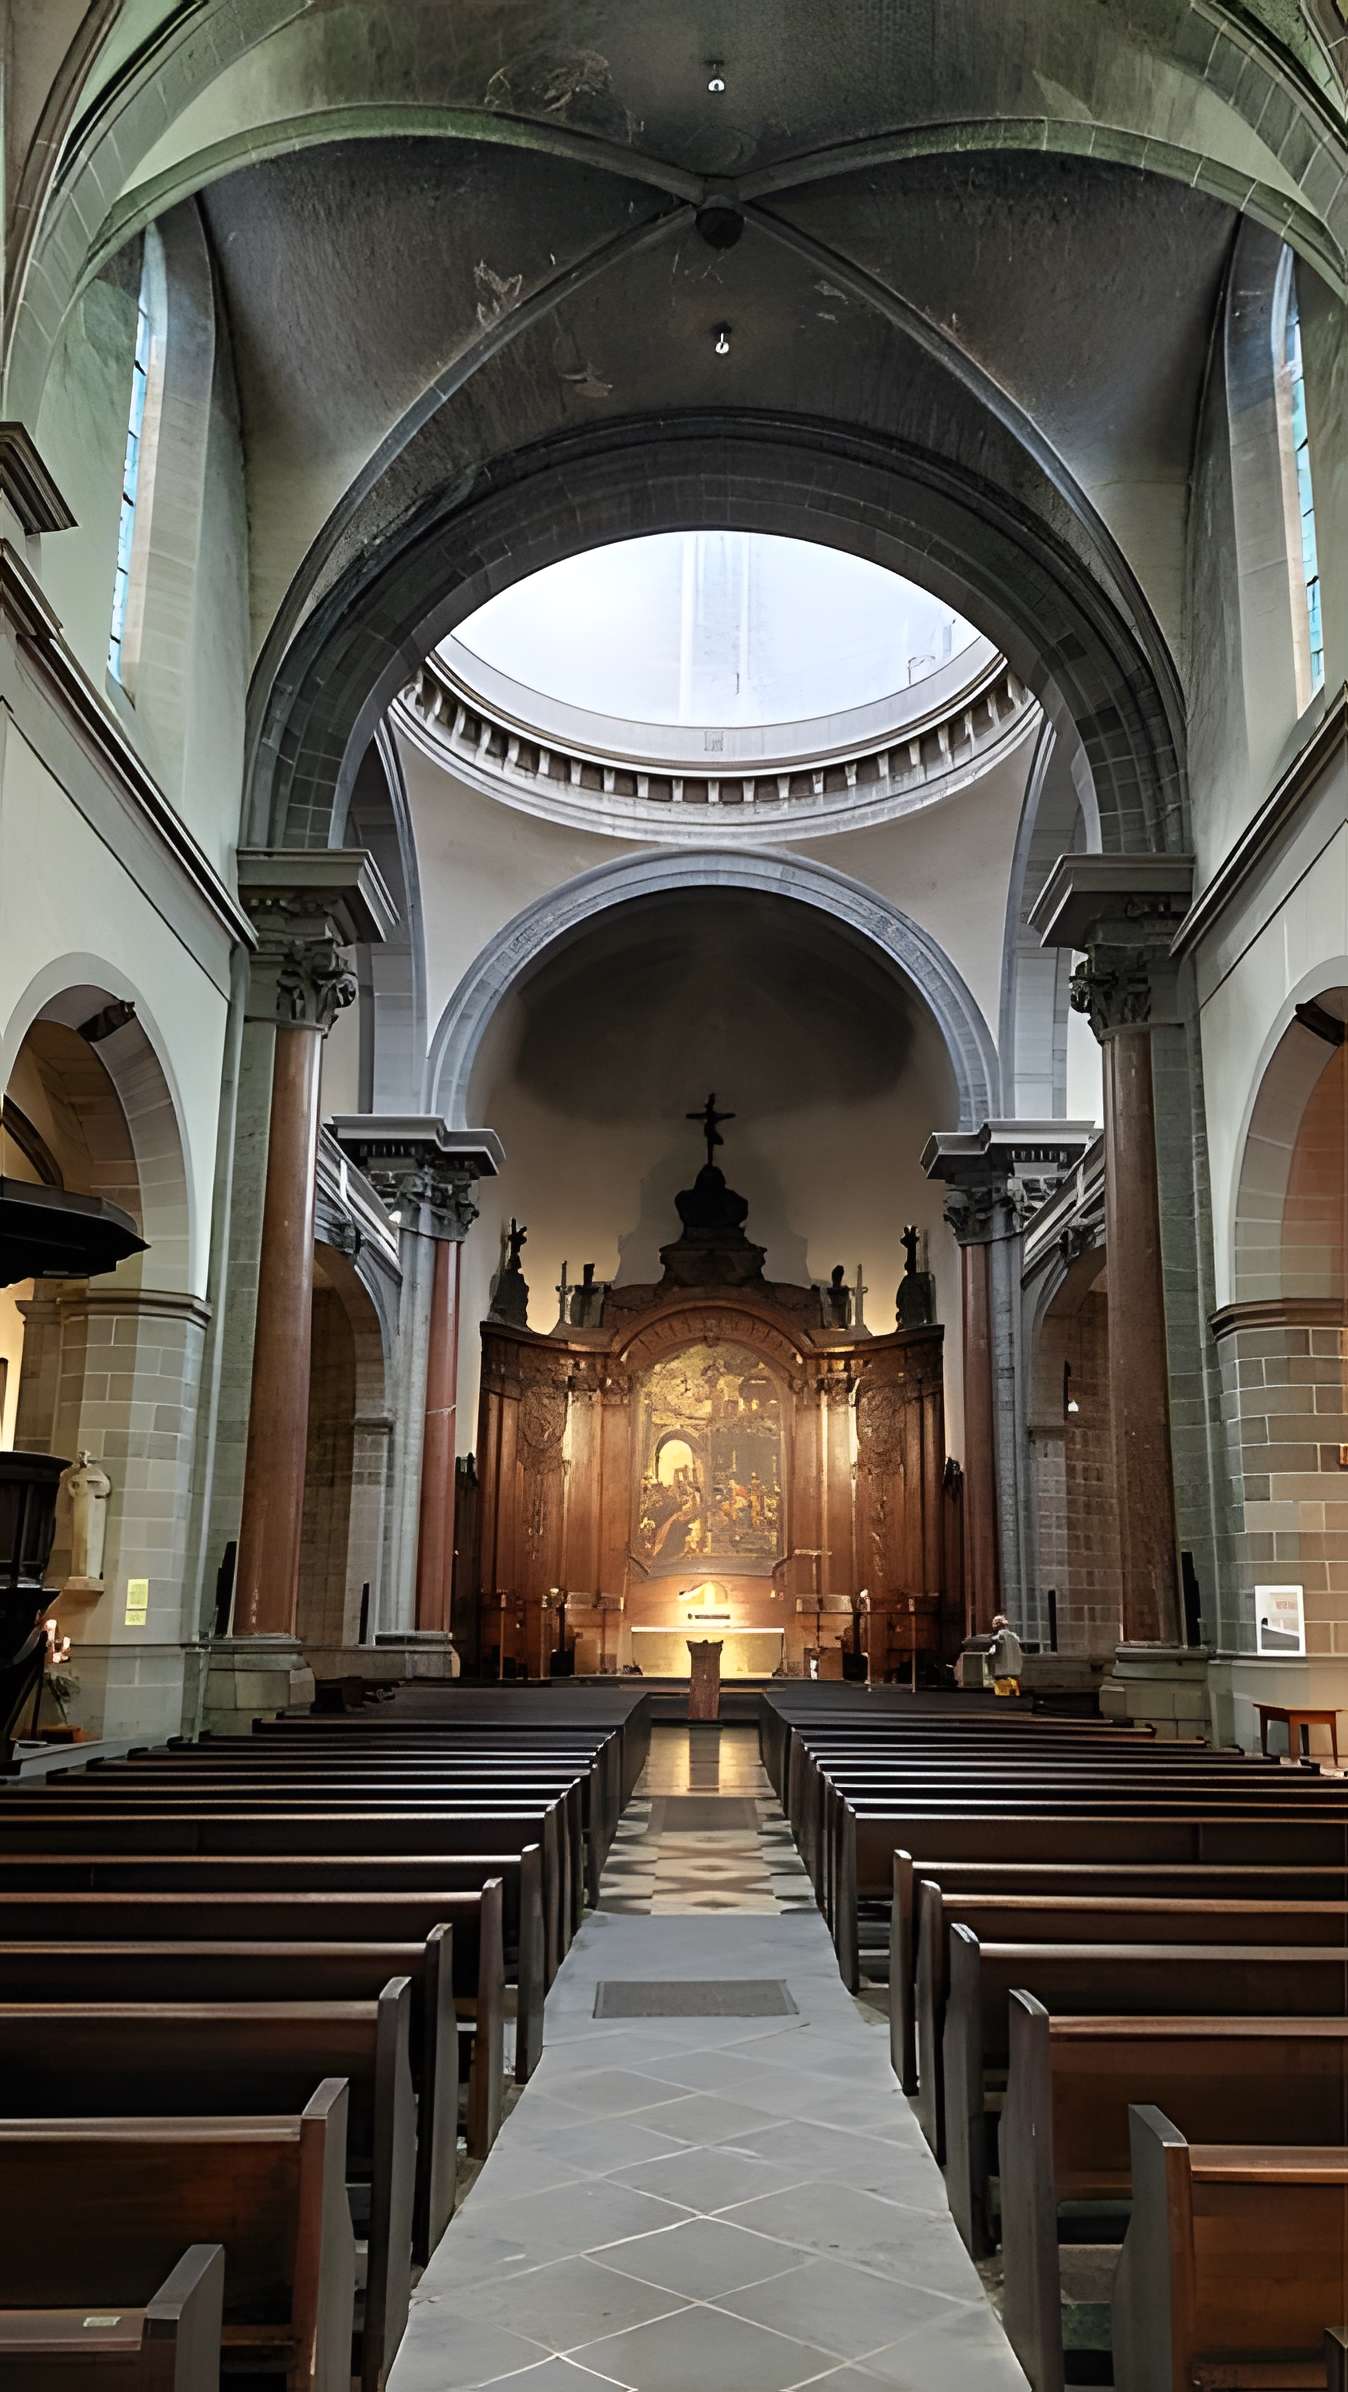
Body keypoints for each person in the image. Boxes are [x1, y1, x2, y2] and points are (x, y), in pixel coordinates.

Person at [989, 1612, 1023, 1697]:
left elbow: (994, 1650)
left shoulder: (1000, 1635)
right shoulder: (1014, 1637)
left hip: (1002, 1671)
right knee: (1014, 1694)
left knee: (1003, 1695)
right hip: (1014, 1671)